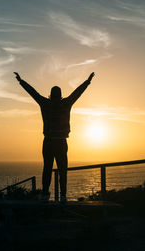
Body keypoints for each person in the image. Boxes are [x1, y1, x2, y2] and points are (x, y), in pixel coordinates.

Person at [14, 72, 95, 203]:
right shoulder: (66, 103)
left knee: (47, 169)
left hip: (49, 142)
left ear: (51, 95)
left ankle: (45, 195)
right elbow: (77, 93)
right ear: (60, 95)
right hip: (61, 142)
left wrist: (21, 81)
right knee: (63, 170)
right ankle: (63, 196)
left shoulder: (45, 103)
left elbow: (32, 92)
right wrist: (87, 81)